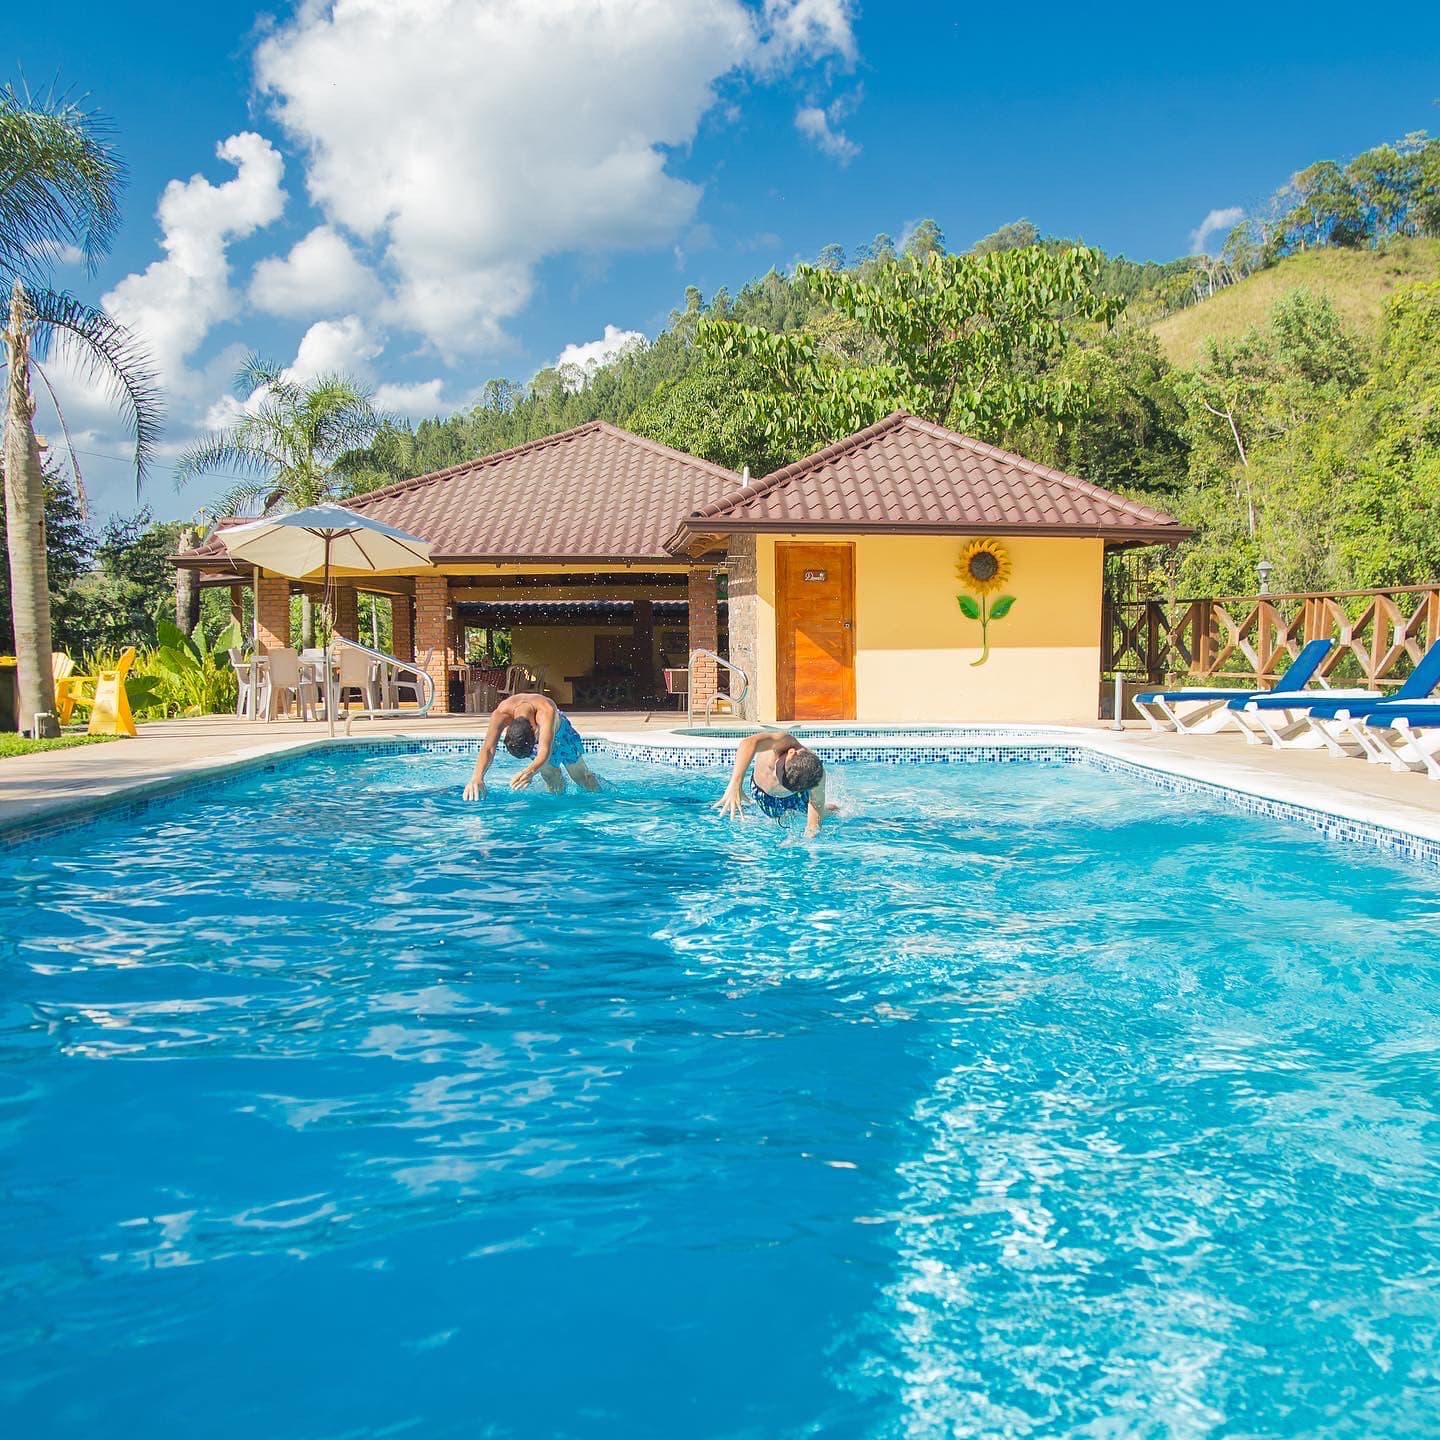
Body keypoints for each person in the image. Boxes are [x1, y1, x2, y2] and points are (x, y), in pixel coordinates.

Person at [463, 692, 602, 800]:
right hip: (534, 737)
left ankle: (599, 802)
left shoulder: (546, 711)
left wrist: (528, 772)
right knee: (551, 778)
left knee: (582, 778)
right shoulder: (501, 714)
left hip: (562, 736)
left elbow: (544, 751)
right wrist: (477, 777)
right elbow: (488, 748)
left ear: (534, 730)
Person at [713, 730, 833, 838]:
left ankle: (835, 809)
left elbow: (815, 804)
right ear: (791, 752)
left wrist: (810, 836)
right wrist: (736, 783)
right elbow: (749, 742)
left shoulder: (816, 776)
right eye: (779, 769)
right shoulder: (783, 742)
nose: (775, 775)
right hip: (763, 796)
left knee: (817, 810)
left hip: (795, 799)